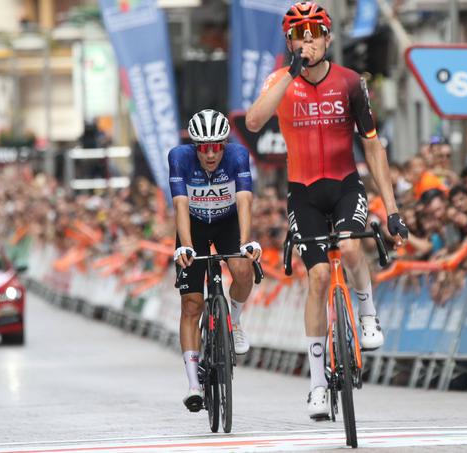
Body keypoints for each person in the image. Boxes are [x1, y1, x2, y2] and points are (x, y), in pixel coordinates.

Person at [244, 1, 409, 419]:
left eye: (314, 32)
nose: (308, 41)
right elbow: (253, 122)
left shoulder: (351, 82)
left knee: (352, 249)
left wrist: (391, 209)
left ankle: (368, 315)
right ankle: (317, 384)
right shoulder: (280, 80)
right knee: (317, 278)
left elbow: (372, 145)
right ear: (290, 41)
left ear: (328, 38)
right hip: (302, 190)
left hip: (344, 184)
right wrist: (290, 76)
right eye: (299, 34)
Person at [168, 109, 262, 412]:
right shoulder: (179, 158)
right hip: (193, 224)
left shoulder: (237, 155)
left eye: (217, 146)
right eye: (204, 148)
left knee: (242, 270)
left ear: (225, 144)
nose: (211, 154)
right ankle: (194, 384)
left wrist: (246, 240)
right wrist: (185, 247)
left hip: (227, 223)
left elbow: (245, 199)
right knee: (191, 305)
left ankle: (233, 320)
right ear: (195, 147)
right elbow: (180, 205)